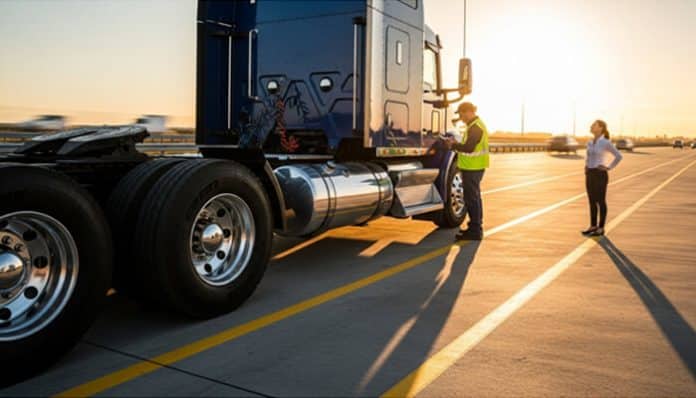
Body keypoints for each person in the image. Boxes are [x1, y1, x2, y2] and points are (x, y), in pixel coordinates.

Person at [446, 102, 489, 240]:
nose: (461, 117)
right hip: (472, 167)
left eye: (462, 113)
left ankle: (475, 230)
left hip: (473, 168)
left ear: (469, 111)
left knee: (472, 199)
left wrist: (453, 145)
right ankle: (474, 228)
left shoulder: (476, 127)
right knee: (474, 198)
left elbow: (469, 148)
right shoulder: (473, 126)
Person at [582, 119, 623, 237]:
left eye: (594, 125)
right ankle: (592, 226)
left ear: (600, 128)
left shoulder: (605, 142)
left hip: (600, 174)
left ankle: (601, 228)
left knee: (600, 201)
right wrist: (586, 166)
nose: (591, 126)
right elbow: (588, 156)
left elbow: (618, 156)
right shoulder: (589, 142)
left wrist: (608, 167)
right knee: (591, 201)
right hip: (590, 174)